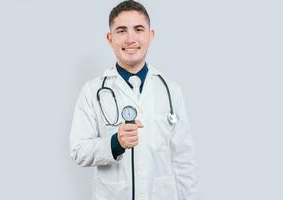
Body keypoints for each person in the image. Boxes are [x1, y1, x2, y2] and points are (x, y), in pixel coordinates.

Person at [69, 1, 197, 200]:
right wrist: (114, 143)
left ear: (150, 35)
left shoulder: (171, 90)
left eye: (138, 29)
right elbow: (78, 151)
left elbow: (184, 161)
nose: (130, 39)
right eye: (121, 31)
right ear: (110, 38)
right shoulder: (92, 91)